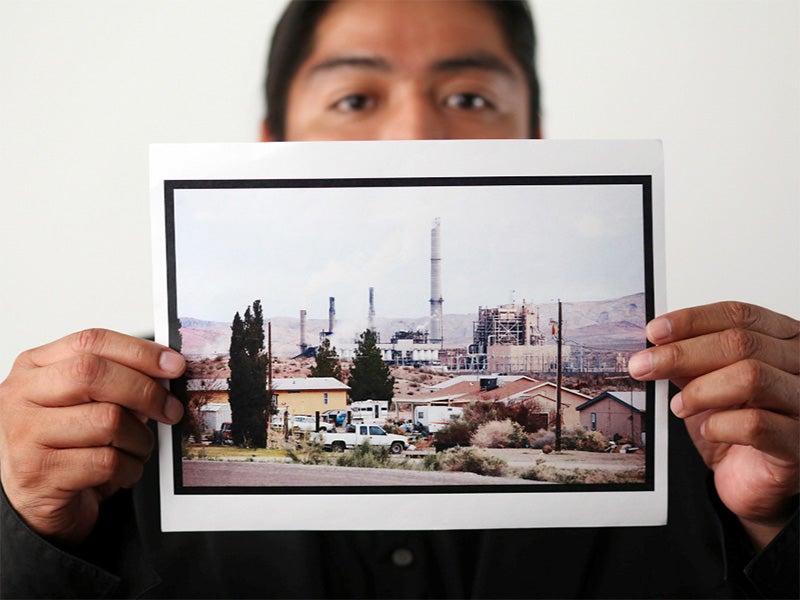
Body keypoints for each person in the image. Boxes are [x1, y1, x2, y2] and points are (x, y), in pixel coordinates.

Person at [0, 1, 797, 597]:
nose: (417, 130)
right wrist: (25, 523)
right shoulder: (130, 422)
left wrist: (774, 520)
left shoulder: (697, 417)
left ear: (539, 137)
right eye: (356, 98)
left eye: (470, 99)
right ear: (269, 142)